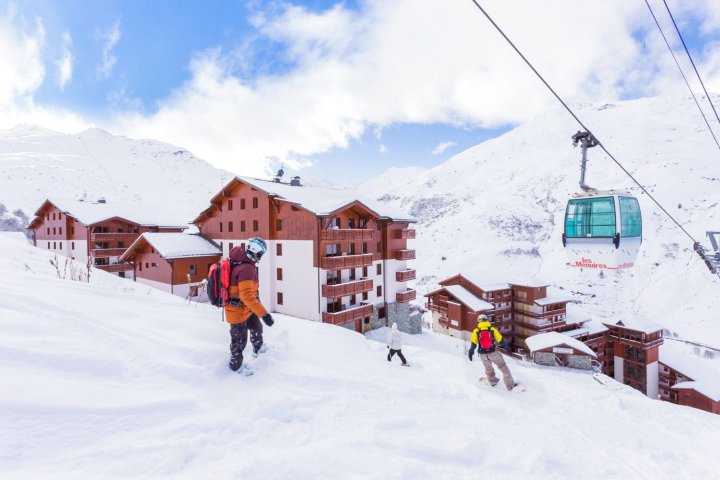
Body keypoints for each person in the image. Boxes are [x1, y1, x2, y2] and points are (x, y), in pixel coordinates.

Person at [225, 237, 275, 373]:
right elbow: (247, 296)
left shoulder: (241, 261)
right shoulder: (246, 268)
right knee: (239, 343)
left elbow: (249, 294)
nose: (261, 257)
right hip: (237, 311)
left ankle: (259, 351)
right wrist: (265, 315)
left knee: (256, 327)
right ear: (255, 252)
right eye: (261, 254)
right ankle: (234, 368)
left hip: (245, 308)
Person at [468, 314, 517, 390]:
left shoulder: (476, 331)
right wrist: (507, 348)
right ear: (486, 320)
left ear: (479, 321)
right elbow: (501, 340)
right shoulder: (492, 329)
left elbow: (473, 343)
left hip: (483, 355)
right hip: (493, 353)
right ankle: (510, 385)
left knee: (488, 369)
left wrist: (471, 352)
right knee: (503, 367)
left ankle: (493, 381)